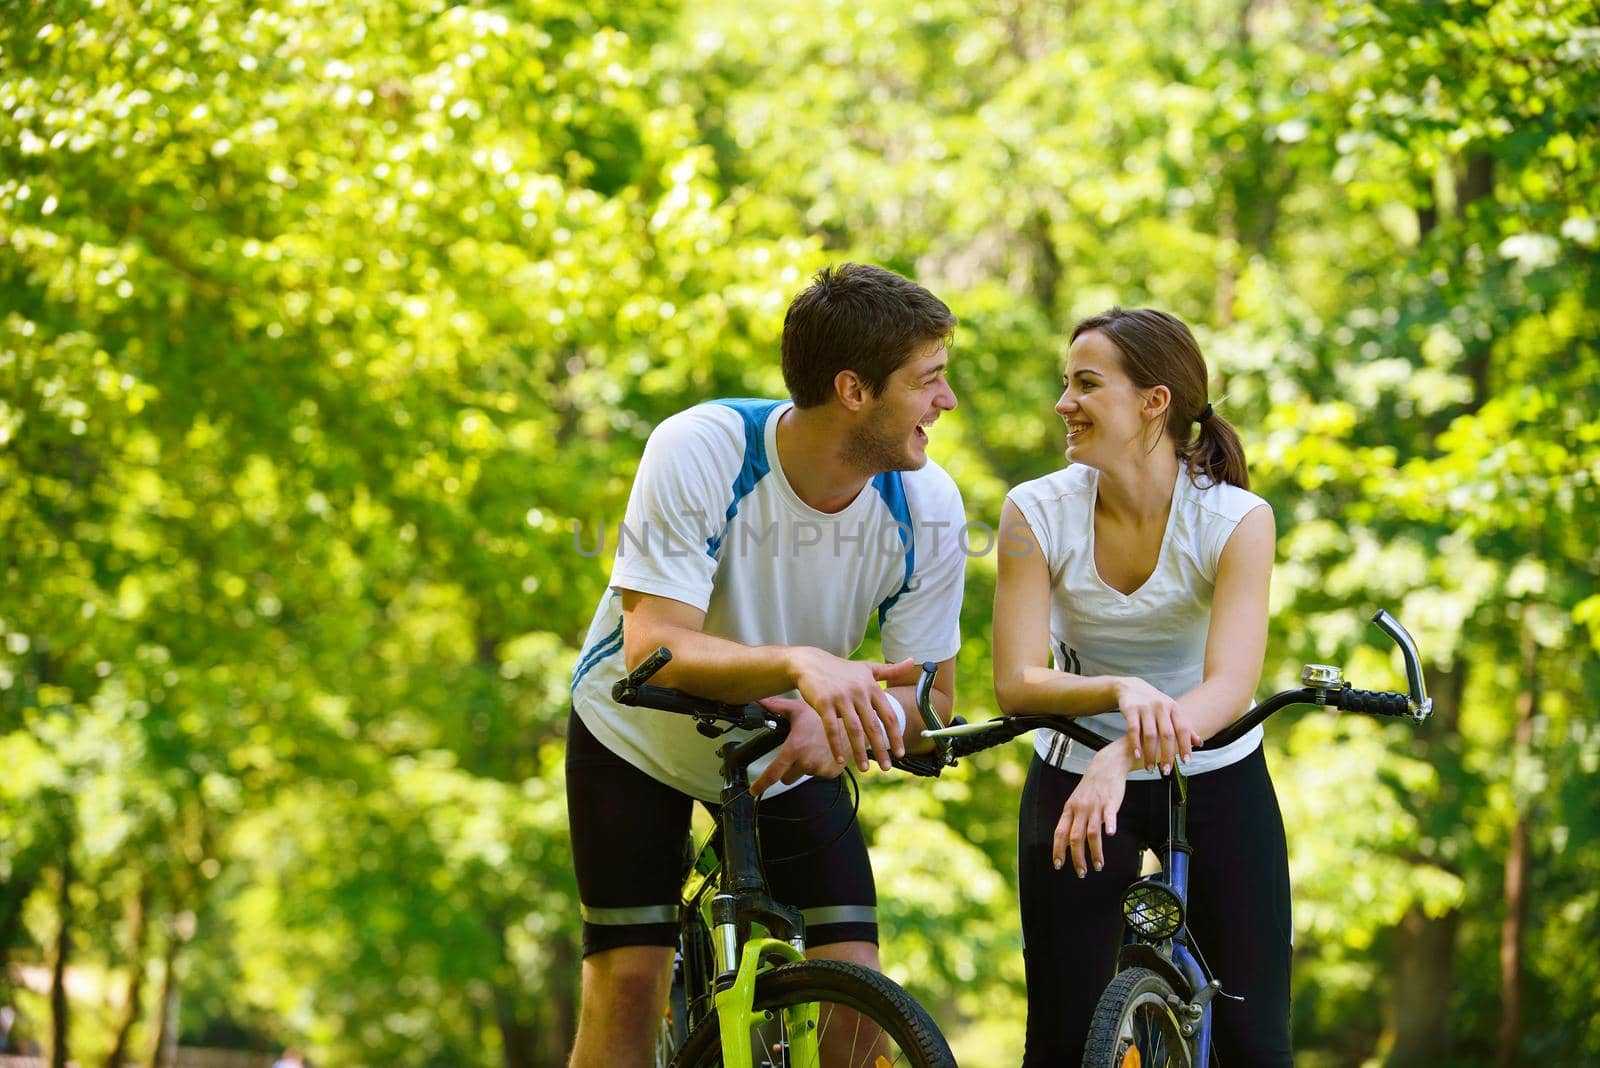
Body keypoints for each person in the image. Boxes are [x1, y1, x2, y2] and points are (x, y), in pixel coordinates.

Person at [565, 263, 967, 1067]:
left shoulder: (928, 506)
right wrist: (801, 664)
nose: (946, 402)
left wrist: (855, 724)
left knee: (857, 996)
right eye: (929, 381)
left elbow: (934, 702)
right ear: (853, 390)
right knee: (631, 987)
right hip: (636, 735)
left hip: (784, 749)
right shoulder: (701, 448)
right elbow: (654, 647)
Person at [992, 307, 1288, 1065]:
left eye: (1086, 384)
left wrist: (1122, 756)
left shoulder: (1237, 519)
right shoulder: (1032, 512)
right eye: (1066, 383)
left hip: (1213, 773)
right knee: (1061, 1037)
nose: (1064, 403)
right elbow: (1016, 682)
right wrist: (1121, 693)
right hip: (1074, 777)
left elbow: (1229, 686)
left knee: (1255, 1043)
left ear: (1154, 401)